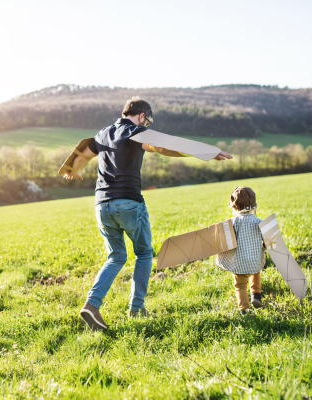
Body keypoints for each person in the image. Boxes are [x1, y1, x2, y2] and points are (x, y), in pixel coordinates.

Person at [63, 96, 232, 331]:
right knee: (143, 253)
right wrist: (205, 152)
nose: (147, 127)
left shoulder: (102, 133)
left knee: (116, 257)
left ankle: (91, 305)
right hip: (129, 203)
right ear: (142, 116)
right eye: (148, 123)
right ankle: (136, 308)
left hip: (102, 205)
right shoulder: (134, 131)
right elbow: (162, 147)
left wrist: (74, 169)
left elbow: (81, 157)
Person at [215, 186, 266, 315]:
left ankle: (244, 310)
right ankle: (256, 295)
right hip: (255, 260)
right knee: (256, 272)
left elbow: (222, 242)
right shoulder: (259, 222)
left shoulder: (232, 223)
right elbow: (268, 242)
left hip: (239, 262)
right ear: (254, 204)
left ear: (234, 207)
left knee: (240, 286)